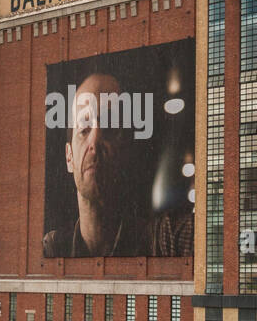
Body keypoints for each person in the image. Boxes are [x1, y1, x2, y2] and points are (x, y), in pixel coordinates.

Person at [43, 69, 192, 257]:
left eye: (110, 126)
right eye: (84, 129)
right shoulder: (51, 249)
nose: (95, 141)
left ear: (127, 148)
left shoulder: (166, 241)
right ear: (69, 157)